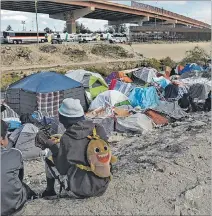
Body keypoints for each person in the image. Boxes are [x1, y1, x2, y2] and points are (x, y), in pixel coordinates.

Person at [35, 98, 110, 199]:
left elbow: (62, 170)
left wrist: (52, 146)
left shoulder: (67, 138)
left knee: (49, 156)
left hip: (81, 191)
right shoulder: (98, 128)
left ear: (63, 119)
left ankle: (50, 191)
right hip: (102, 185)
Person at [1, 120, 37, 216]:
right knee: (22, 186)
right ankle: (34, 196)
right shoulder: (15, 153)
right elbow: (19, 178)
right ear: (1, 139)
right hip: (12, 206)